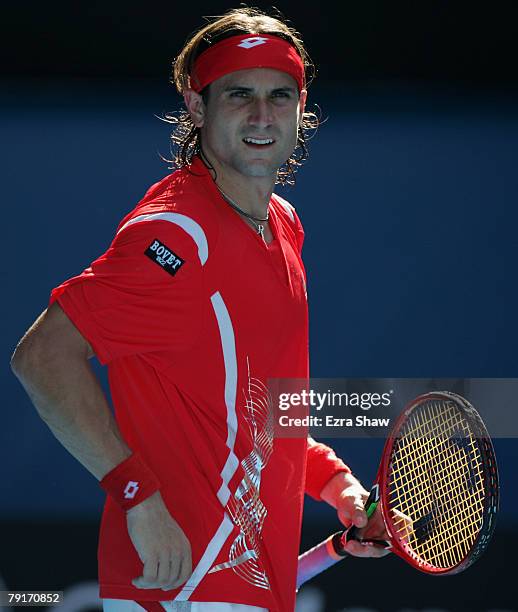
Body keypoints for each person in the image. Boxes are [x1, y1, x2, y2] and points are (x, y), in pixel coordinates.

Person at [11, 7, 388, 612]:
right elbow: (41, 358)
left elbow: (253, 406)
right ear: (197, 107)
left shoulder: (283, 226)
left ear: (300, 111)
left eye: (280, 96)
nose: (262, 116)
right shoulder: (178, 235)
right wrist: (137, 495)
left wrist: (332, 482)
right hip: (178, 584)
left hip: (242, 583)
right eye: (240, 95)